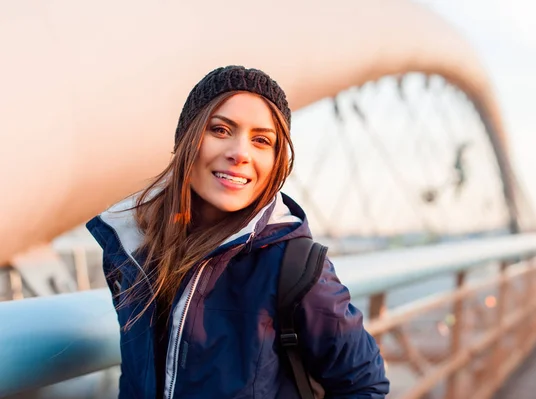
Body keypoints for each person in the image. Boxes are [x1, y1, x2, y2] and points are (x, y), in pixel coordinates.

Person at [86, 65, 389, 399]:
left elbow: (364, 385)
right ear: (187, 140)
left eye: (261, 140)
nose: (240, 153)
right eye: (220, 130)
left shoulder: (294, 266)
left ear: (277, 161)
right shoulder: (136, 250)